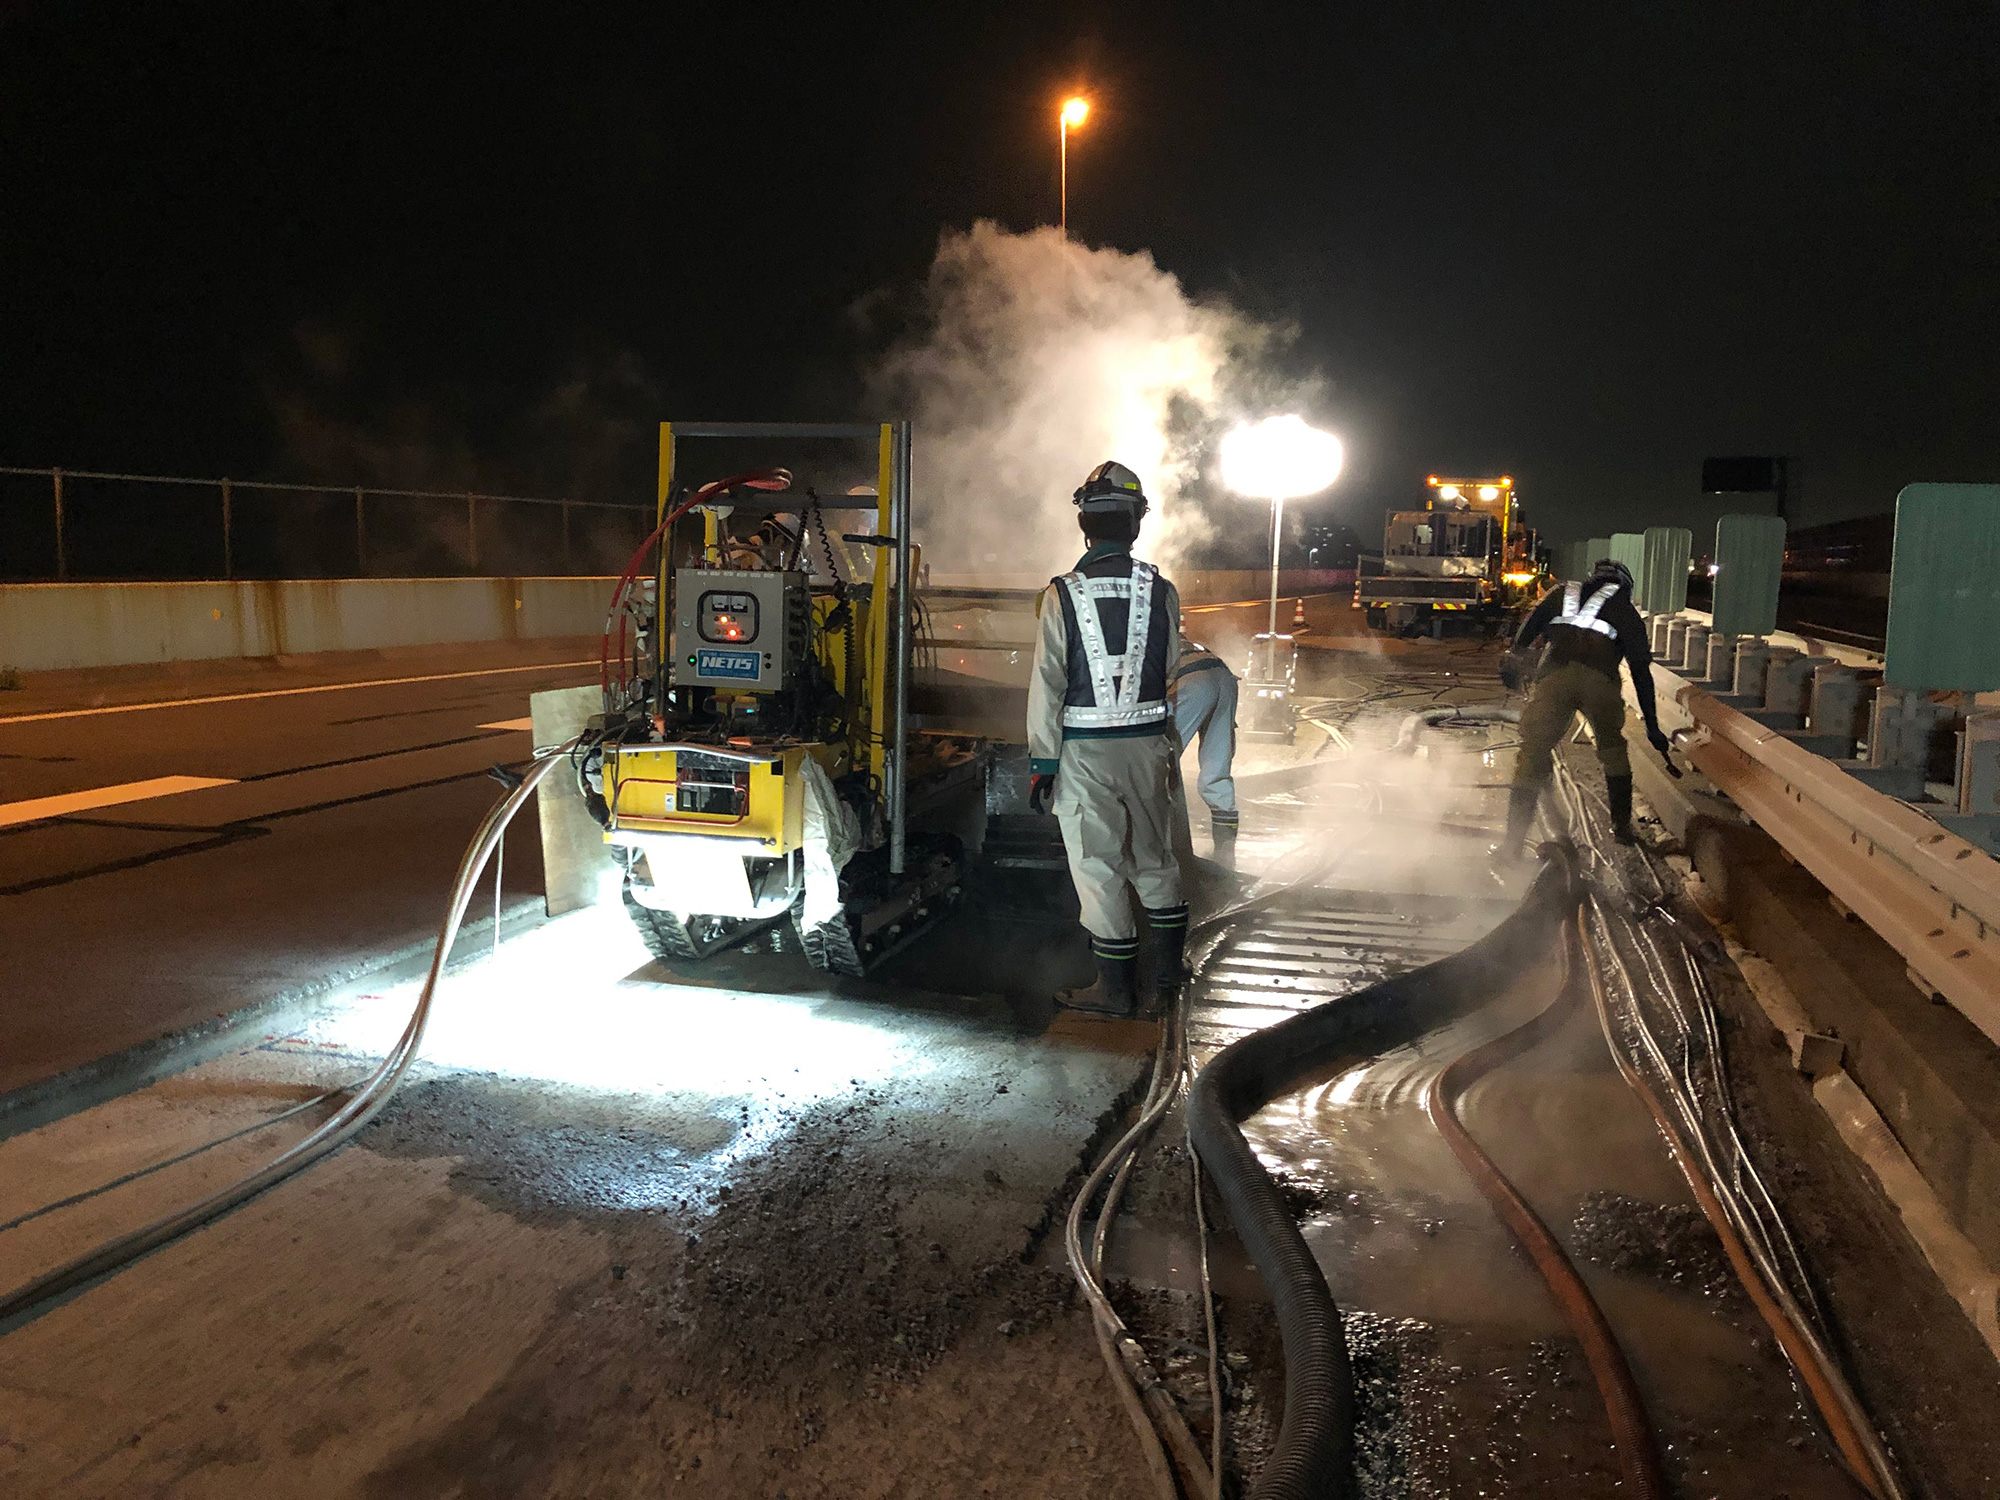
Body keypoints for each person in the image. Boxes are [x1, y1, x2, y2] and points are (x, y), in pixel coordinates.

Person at [1027, 461, 1187, 1016]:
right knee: (1154, 859)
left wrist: (1044, 765)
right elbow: (1169, 664)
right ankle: (1168, 977)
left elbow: (1047, 685)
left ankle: (1116, 993)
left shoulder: (1062, 594)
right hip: (1146, 747)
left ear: (1084, 527)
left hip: (1083, 754)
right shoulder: (1161, 589)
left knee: (1098, 868)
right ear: (1136, 524)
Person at [1499, 558, 1678, 857]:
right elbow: (1641, 671)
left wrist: (1514, 666)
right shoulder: (1624, 608)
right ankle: (1621, 830)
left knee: (1532, 755)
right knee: (1613, 753)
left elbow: (1526, 633)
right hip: (1600, 683)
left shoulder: (1561, 593)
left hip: (1554, 678)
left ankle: (1512, 845)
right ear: (1622, 584)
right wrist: (1652, 726)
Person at [1169, 624, 1240, 861]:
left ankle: (1166, 848)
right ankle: (1225, 852)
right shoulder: (1168, 632)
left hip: (1189, 680)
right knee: (1216, 772)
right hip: (1223, 676)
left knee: (1159, 762)